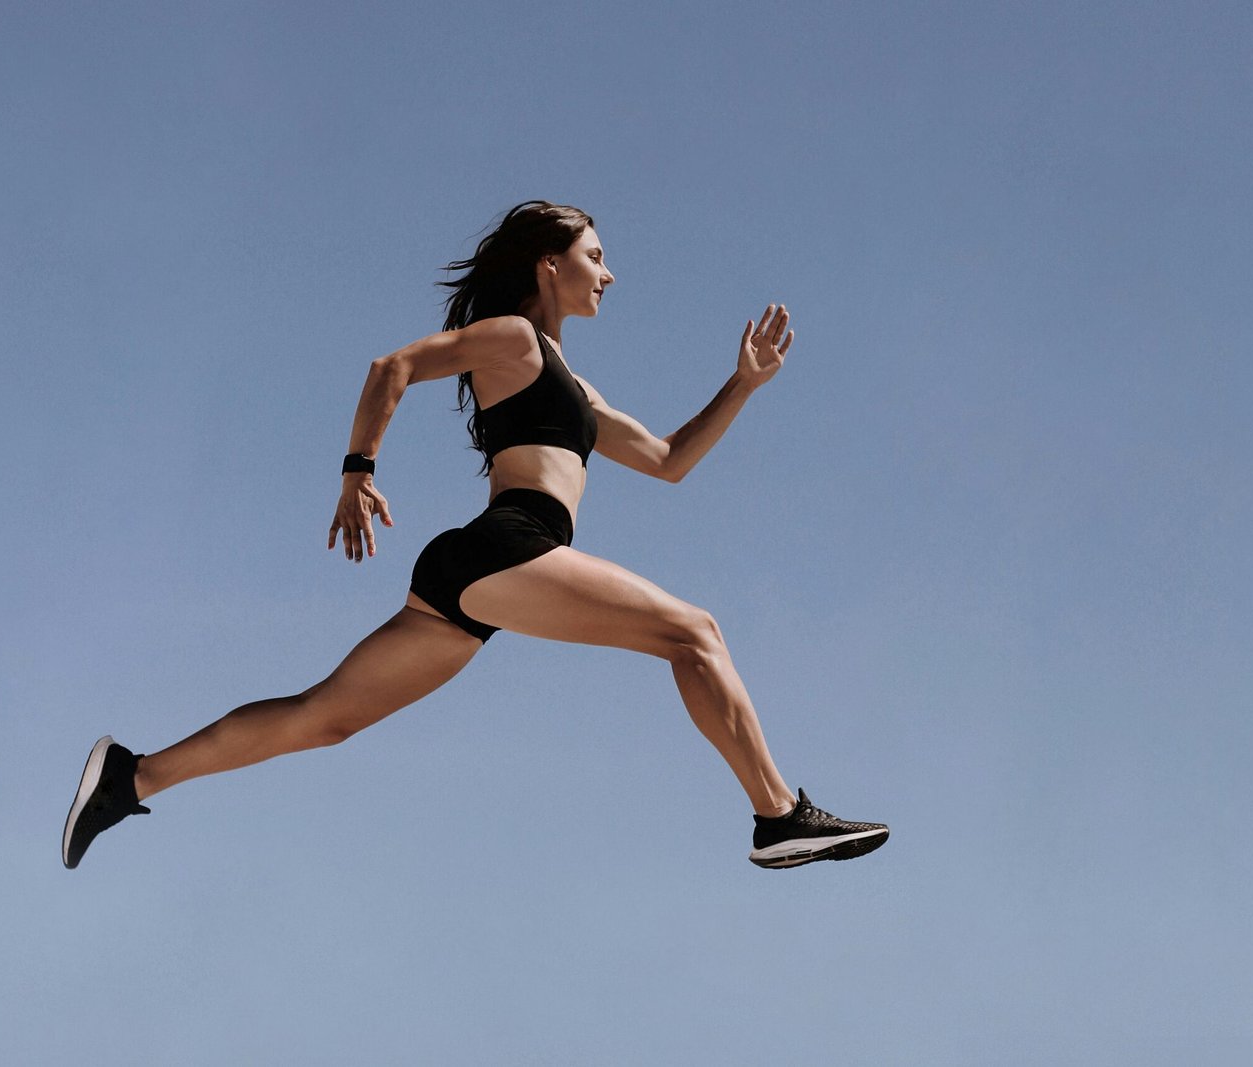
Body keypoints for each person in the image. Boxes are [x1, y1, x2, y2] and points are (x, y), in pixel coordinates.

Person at [63, 200, 888, 871]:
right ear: (549, 264)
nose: (608, 273)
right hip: (510, 547)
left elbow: (669, 460)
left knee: (323, 717)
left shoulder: (575, 386)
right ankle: (778, 816)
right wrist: (357, 470)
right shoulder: (512, 337)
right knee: (694, 632)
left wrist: (742, 384)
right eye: (595, 256)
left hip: (480, 574)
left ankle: (132, 776)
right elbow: (392, 367)